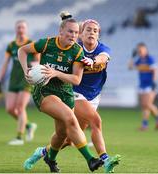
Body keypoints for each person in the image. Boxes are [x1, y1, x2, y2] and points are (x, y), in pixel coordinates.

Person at [18, 12, 103, 173]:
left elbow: (76, 80)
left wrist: (56, 73)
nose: (73, 35)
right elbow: (22, 50)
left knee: (61, 134)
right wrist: (25, 71)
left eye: (76, 32)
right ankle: (91, 159)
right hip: (45, 92)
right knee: (71, 118)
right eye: (70, 32)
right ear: (61, 32)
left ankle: (50, 158)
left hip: (65, 93)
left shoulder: (77, 51)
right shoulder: (47, 43)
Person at [60, 14, 121, 173]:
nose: (92, 33)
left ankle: (44, 152)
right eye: (88, 30)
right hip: (74, 92)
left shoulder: (103, 49)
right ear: (81, 33)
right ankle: (105, 159)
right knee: (96, 121)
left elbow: (102, 58)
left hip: (93, 96)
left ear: (98, 34)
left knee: (69, 139)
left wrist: (92, 61)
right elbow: (60, 42)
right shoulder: (75, 48)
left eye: (95, 30)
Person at [0, 20, 38, 145]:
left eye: (23, 27)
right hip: (13, 79)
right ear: (15, 29)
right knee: (9, 109)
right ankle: (29, 126)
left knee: (20, 107)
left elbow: (38, 61)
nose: (20, 29)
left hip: (26, 79)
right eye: (18, 27)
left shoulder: (31, 44)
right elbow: (5, 63)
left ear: (26, 29)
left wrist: (33, 69)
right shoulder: (11, 45)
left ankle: (19, 137)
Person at [128, 43, 158, 131]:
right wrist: (132, 57)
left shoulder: (150, 59)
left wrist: (154, 82)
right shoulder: (139, 59)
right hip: (142, 85)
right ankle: (145, 125)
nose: (140, 51)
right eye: (138, 50)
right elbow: (130, 67)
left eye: (141, 49)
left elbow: (155, 70)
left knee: (147, 104)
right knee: (144, 106)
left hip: (150, 84)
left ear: (145, 50)